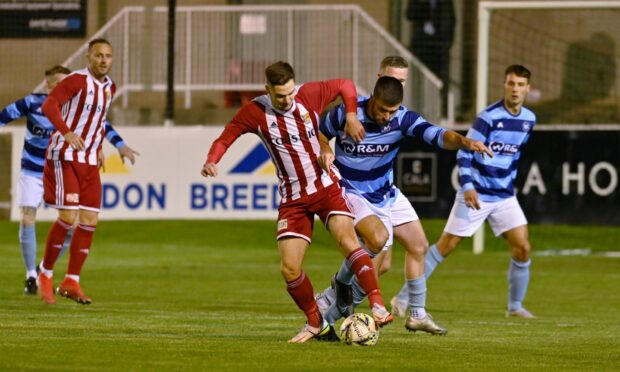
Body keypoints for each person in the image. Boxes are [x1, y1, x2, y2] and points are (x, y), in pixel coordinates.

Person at [201, 61, 393, 343]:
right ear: (268, 90)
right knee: (289, 267)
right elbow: (226, 136)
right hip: (293, 198)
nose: (288, 100)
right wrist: (212, 160)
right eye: (281, 96)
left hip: (326, 186)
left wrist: (351, 115)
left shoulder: (308, 95)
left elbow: (345, 85)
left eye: (291, 92)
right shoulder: (255, 112)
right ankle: (316, 323)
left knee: (348, 242)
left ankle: (377, 304)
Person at [316, 74, 492, 334]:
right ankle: (329, 314)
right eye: (384, 110)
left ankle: (417, 314)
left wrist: (464, 141)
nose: (388, 116)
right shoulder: (346, 114)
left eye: (393, 111)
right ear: (373, 98)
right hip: (351, 191)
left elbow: (437, 134)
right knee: (376, 255)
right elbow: (320, 132)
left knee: (418, 245)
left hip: (385, 192)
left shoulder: (402, 118)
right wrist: (325, 148)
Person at [392, 65, 537, 318]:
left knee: (523, 247)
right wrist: (468, 186)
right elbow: (464, 150)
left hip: (504, 196)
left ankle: (515, 307)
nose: (515, 89)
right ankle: (403, 298)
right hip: (477, 192)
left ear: (528, 88)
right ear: (504, 85)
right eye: (511, 83)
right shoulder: (488, 117)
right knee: (446, 246)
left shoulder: (528, 120)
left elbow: (513, 156)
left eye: (520, 85)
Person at [0, 64, 138, 296]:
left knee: (74, 224)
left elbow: (102, 127)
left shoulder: (81, 108)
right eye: (59, 83)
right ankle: (31, 276)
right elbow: (3, 116)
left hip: (63, 168)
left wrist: (117, 145)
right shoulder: (33, 103)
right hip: (33, 171)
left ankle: (45, 267)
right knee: (27, 218)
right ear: (49, 84)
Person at [37, 38, 119, 305]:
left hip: (89, 160)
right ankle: (45, 273)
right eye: (98, 55)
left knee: (89, 220)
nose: (103, 60)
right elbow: (50, 105)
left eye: (108, 55)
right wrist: (67, 132)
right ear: (88, 57)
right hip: (65, 156)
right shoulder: (75, 81)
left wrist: (98, 147)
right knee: (68, 216)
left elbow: (97, 121)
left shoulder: (109, 88)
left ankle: (72, 280)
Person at [406, 0, 455, 116]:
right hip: (421, 46)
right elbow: (409, 14)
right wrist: (422, 4)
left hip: (440, 47)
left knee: (442, 80)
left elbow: (451, 21)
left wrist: (447, 43)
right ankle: (417, 111)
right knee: (419, 80)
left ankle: (442, 112)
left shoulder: (446, 3)